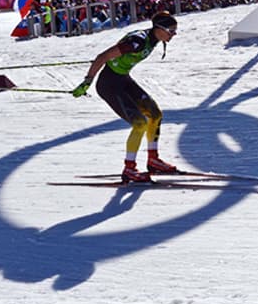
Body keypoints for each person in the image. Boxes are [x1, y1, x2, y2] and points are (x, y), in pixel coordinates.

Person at [71, 11, 180, 182]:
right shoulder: (137, 41)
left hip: (123, 79)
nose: (173, 35)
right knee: (140, 123)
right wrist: (87, 82)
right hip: (109, 85)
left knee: (155, 114)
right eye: (171, 31)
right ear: (159, 28)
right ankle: (129, 169)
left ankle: (153, 160)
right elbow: (103, 57)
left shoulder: (154, 39)